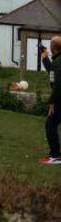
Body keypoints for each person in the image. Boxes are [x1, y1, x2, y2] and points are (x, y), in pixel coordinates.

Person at [42, 36, 61, 164]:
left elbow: (58, 84)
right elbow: (52, 72)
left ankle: (55, 156)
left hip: (60, 98)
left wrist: (51, 102)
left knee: (50, 124)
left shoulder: (59, 62)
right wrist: (45, 58)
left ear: (52, 47)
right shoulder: (57, 61)